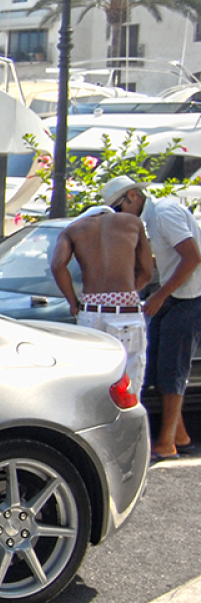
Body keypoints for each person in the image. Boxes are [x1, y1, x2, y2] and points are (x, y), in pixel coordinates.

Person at [101, 175, 201, 459]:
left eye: (118, 208)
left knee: (172, 371)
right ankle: (178, 436)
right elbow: (169, 257)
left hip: (190, 297)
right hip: (176, 296)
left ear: (132, 197)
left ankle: (166, 444)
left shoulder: (165, 213)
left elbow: (192, 257)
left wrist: (159, 295)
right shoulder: (151, 218)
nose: (119, 215)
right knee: (156, 364)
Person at [50, 202, 154, 398]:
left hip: (90, 310)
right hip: (126, 314)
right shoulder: (132, 222)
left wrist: (73, 302)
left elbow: (57, 265)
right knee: (128, 388)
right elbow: (147, 271)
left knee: (90, 385)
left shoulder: (72, 229)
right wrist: (127, 294)